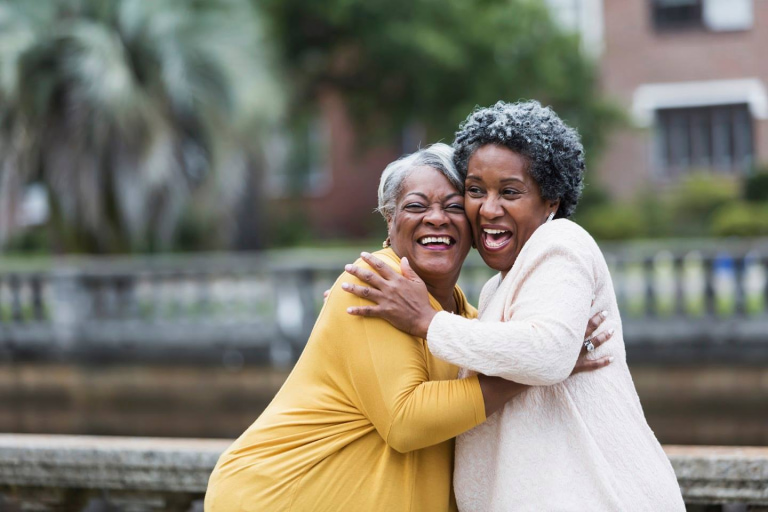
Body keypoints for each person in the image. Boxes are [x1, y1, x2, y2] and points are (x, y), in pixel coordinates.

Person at [204, 143, 611, 511]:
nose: (436, 219)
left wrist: (538, 355)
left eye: (453, 207)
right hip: (274, 496)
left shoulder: (468, 320)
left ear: (473, 227)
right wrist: (539, 370)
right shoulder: (370, 285)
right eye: (416, 206)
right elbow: (407, 421)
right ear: (390, 219)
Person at [342, 101, 685, 511]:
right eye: (474, 190)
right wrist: (369, 290)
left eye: (509, 192)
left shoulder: (560, 243)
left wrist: (428, 322)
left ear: (551, 201)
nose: (487, 209)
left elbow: (548, 354)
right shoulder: (494, 291)